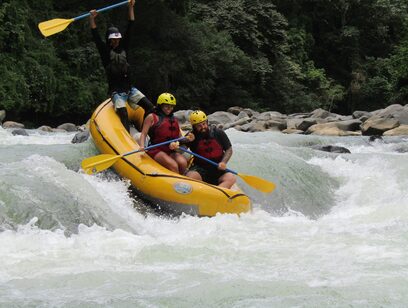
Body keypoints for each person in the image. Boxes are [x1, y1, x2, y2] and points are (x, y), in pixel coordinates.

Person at [89, 0, 154, 132]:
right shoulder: (105, 52)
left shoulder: (124, 46)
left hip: (130, 89)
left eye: (118, 39)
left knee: (150, 107)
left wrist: (130, 7)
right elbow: (95, 35)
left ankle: (147, 132)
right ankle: (127, 138)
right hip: (116, 92)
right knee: (123, 113)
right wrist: (92, 19)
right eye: (113, 39)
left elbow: (131, 25)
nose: (116, 41)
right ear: (109, 40)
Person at [139, 93, 193, 174]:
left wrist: (188, 138)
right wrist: (142, 146)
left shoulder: (174, 120)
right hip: (156, 149)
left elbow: (179, 138)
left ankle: (180, 182)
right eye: (167, 106)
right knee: (173, 165)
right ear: (160, 105)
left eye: (171, 106)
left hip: (170, 150)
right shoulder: (151, 117)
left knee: (183, 163)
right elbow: (143, 134)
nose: (169, 108)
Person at [185, 111, 236, 189]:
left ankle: (216, 195)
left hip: (217, 168)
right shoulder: (191, 136)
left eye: (204, 124)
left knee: (231, 178)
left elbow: (229, 149)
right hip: (200, 168)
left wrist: (223, 162)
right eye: (199, 126)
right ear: (194, 127)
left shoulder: (218, 133)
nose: (203, 127)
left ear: (207, 122)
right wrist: (184, 142)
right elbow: (181, 149)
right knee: (191, 176)